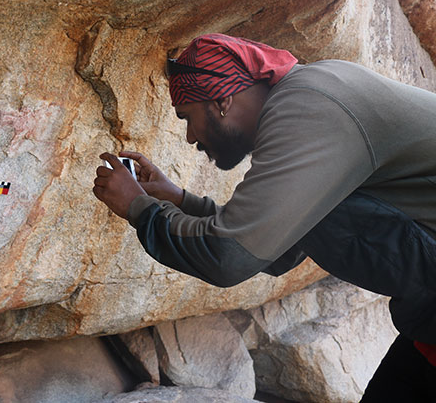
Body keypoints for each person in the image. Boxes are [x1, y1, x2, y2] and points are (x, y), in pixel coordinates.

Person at [92, 33, 436, 401]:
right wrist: (177, 199)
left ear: (222, 100)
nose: (190, 137)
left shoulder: (307, 108)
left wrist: (138, 207)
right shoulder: (309, 99)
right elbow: (280, 248)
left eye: (188, 117)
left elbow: (230, 255)